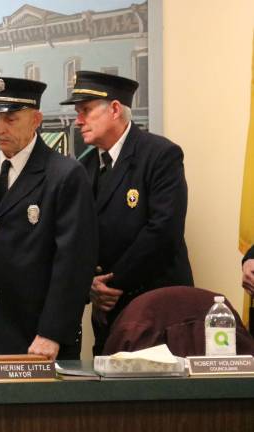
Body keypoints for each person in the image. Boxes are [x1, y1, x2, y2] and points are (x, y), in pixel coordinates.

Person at [0, 77, 98, 361]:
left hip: (36, 337)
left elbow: (74, 263)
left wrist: (52, 332)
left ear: (36, 120)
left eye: (11, 119)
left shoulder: (64, 174)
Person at [60, 70, 194, 355]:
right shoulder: (84, 168)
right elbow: (78, 238)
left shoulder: (160, 155)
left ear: (115, 109)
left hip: (156, 310)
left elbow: (163, 230)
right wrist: (89, 285)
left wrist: (113, 283)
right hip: (108, 314)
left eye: (85, 110)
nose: (78, 120)